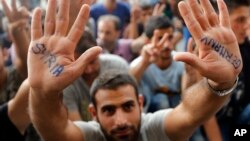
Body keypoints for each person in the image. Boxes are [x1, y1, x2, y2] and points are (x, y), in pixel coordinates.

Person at [28, 0, 242, 141]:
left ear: (141, 104)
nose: (121, 121)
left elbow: (189, 113)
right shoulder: (91, 135)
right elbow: (54, 130)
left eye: (128, 106)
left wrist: (221, 83)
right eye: (109, 110)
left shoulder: (152, 129)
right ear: (93, 114)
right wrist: (41, 93)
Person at [63, 29, 129, 121]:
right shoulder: (67, 82)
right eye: (82, 64)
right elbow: (77, 127)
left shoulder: (118, 67)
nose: (89, 70)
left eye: (93, 62)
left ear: (99, 53)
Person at [130, 16, 183, 112]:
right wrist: (145, 63)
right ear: (148, 41)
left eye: (170, 38)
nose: (166, 45)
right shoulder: (139, 63)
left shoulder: (181, 62)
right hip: (152, 115)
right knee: (161, 99)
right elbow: (127, 84)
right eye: (160, 38)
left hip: (179, 111)